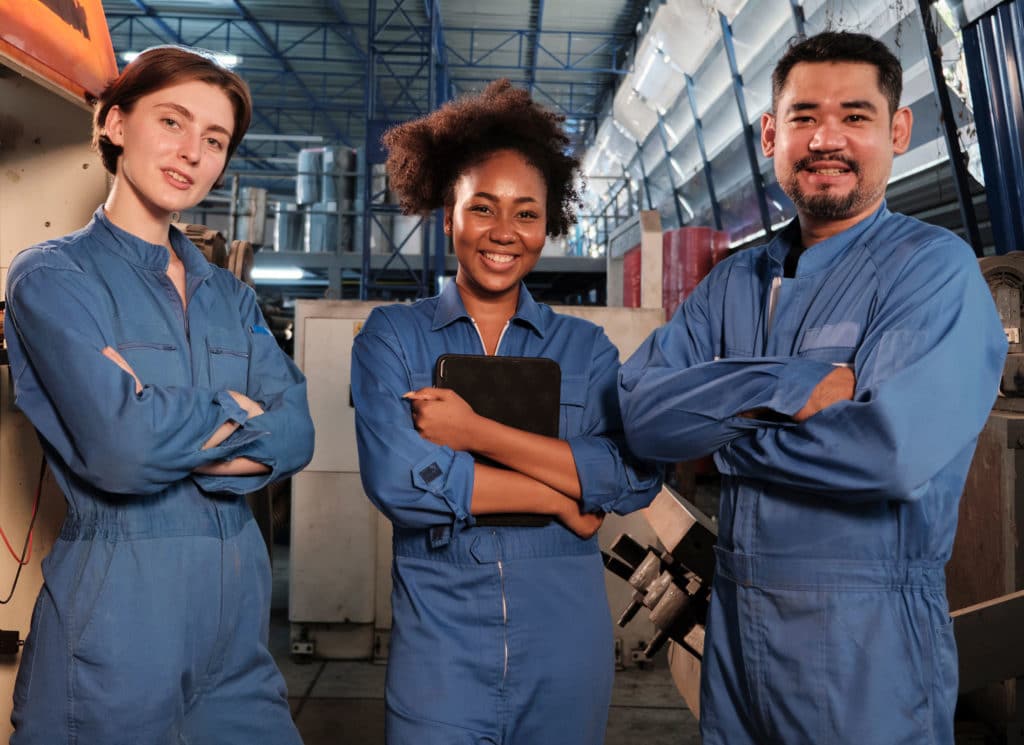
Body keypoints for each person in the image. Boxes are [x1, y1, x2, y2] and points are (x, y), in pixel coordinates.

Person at [618, 31, 1006, 745]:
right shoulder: (733, 283)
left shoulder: (933, 273)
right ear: (771, 134)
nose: (826, 138)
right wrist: (794, 385)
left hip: (868, 644)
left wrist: (720, 443)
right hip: (735, 641)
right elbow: (642, 415)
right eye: (803, 117)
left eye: (855, 116)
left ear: (898, 130)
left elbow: (887, 452)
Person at [4, 46, 314, 744]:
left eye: (214, 140)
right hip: (116, 625)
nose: (191, 153)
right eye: (171, 121)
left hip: (236, 633)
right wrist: (245, 416)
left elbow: (299, 433)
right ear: (115, 123)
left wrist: (160, 416)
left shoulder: (229, 295)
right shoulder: (54, 278)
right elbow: (122, 450)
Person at [351, 79, 662, 745]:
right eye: (482, 208)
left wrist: (473, 432)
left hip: (565, 646)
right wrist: (558, 498)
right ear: (448, 215)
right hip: (440, 649)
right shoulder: (393, 337)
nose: (503, 233)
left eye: (526, 213)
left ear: (548, 223)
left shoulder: (585, 349)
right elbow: (402, 483)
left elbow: (634, 476)